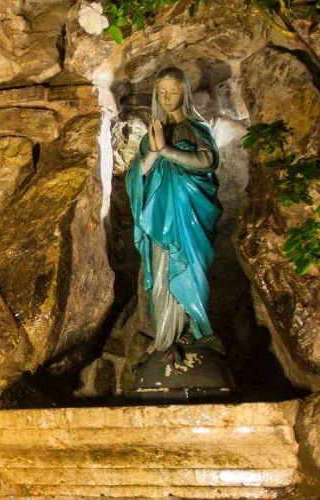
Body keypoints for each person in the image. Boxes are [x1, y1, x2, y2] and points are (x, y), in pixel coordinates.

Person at [125, 67, 221, 353]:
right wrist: (154, 151)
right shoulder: (152, 135)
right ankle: (166, 337)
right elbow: (135, 176)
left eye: (174, 92)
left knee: (190, 270)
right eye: (162, 93)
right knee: (162, 272)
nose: (168, 98)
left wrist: (167, 151)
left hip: (189, 218)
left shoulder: (196, 129)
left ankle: (196, 331)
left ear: (185, 93)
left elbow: (207, 161)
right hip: (160, 220)